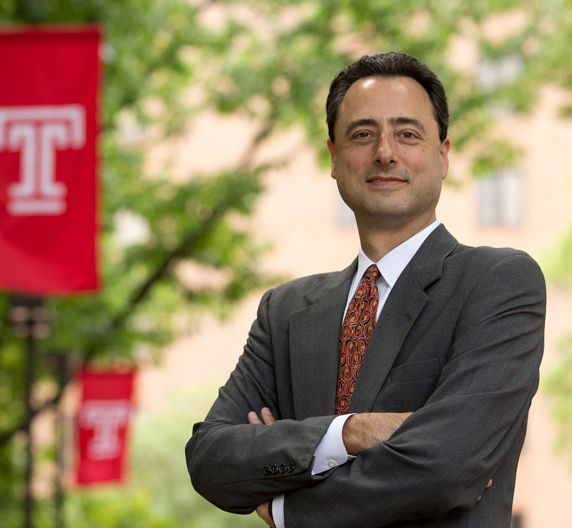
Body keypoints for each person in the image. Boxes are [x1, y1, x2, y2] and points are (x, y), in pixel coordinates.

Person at [185, 52, 545, 528]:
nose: (385, 153)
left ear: (443, 155)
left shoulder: (497, 283)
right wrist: (350, 433)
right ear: (334, 158)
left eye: (408, 134)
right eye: (362, 134)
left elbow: (445, 468)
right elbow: (210, 458)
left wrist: (285, 506)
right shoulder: (286, 311)